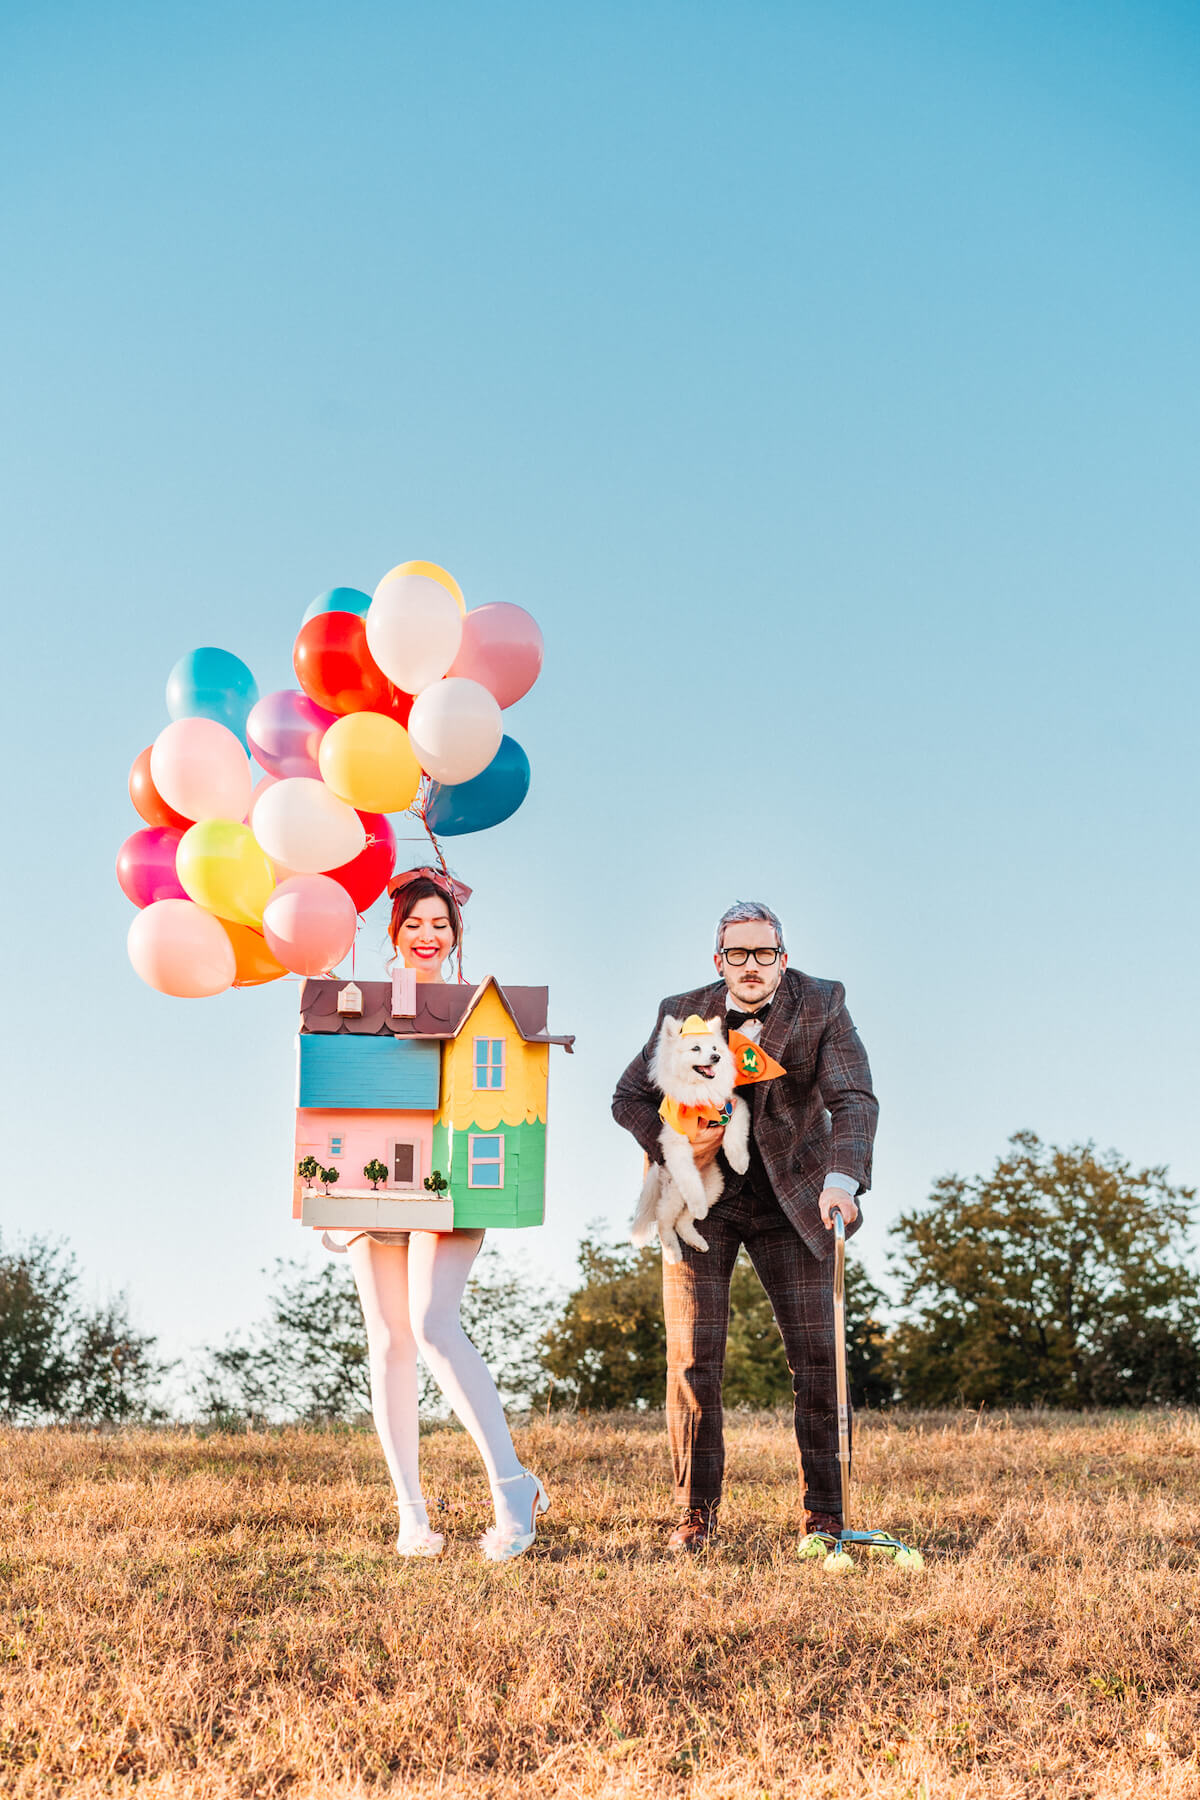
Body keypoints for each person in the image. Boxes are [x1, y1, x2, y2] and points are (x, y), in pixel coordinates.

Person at [612, 900, 878, 1551]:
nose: (751, 966)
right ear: (719, 961)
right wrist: (675, 1145)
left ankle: (825, 1514)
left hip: (797, 1198)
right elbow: (628, 1097)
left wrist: (843, 1180)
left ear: (782, 959)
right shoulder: (682, 1011)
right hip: (703, 1200)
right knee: (693, 1357)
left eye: (764, 954)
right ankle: (694, 1513)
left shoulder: (823, 1004)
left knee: (819, 1358)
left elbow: (853, 1099)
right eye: (738, 954)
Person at [333, 867, 548, 1562]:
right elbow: (331, 1089)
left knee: (432, 1324)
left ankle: (513, 1487)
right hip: (375, 1181)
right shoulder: (357, 999)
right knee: (389, 1342)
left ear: (456, 936)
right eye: (415, 925)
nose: (428, 936)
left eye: (441, 925)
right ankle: (411, 1514)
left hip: (453, 1179)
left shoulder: (474, 1005)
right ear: (392, 933)